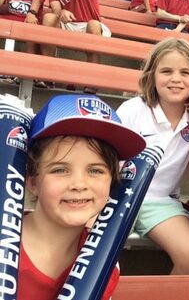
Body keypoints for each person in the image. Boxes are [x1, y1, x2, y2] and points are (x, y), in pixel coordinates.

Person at [21, 94, 146, 300]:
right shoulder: (5, 240)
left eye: (96, 170)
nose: (79, 184)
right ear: (33, 181)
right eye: (60, 169)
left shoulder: (103, 262)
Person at [117, 38, 189, 274]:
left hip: (159, 202)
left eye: (185, 72)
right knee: (92, 248)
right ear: (151, 75)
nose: (176, 79)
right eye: (166, 71)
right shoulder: (131, 110)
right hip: (116, 197)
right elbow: (110, 162)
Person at [42, 0, 111, 64]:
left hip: (88, 24)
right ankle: (47, 68)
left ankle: (93, 73)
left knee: (94, 25)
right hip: (68, 23)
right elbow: (55, 7)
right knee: (48, 18)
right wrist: (62, 12)